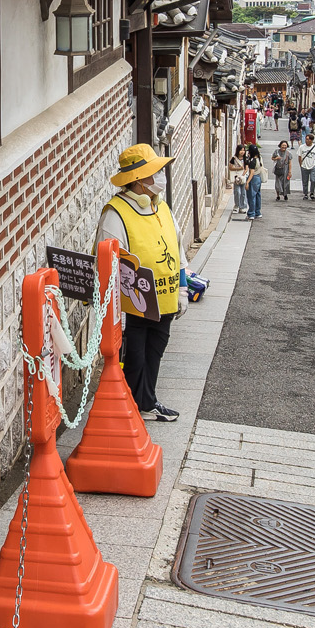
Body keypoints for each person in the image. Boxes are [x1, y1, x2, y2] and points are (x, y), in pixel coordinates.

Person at [97, 144, 188, 423]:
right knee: (134, 358)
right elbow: (107, 266)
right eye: (154, 172)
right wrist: (116, 312)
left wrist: (182, 288)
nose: (161, 176)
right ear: (137, 179)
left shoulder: (162, 208)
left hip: (165, 300)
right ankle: (132, 407)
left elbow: (178, 248)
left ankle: (147, 402)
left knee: (155, 352)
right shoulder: (116, 214)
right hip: (134, 307)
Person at [297, 132, 315, 200]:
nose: (306, 140)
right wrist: (301, 165)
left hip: (313, 166)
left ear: (311, 140)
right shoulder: (302, 147)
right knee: (305, 181)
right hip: (304, 166)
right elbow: (299, 156)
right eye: (306, 139)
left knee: (313, 180)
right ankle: (305, 194)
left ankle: (312, 192)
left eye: (308, 139)